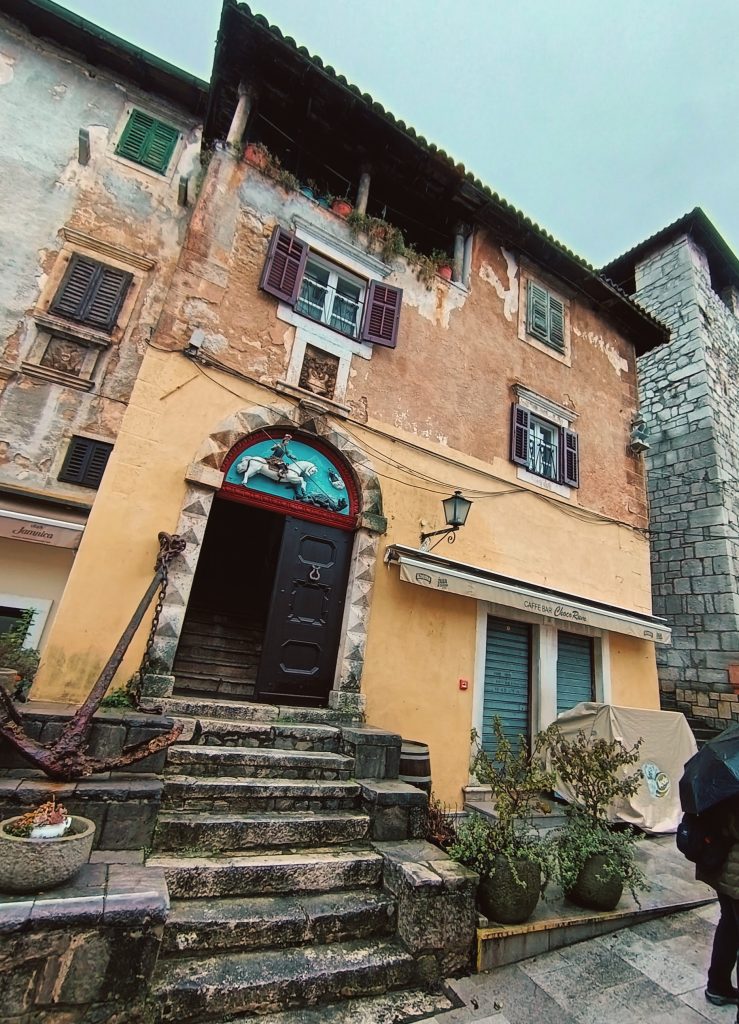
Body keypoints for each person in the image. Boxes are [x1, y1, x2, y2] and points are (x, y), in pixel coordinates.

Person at [698, 803, 739, 1008]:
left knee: (729, 924)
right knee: (730, 924)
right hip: (733, 869)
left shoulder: (720, 788)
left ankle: (718, 986)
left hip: (722, 864)